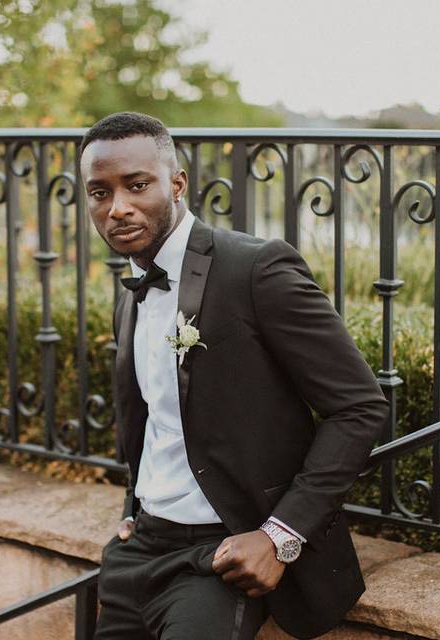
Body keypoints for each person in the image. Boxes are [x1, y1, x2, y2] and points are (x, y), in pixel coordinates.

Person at [80, 112, 389, 640]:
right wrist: (136, 502)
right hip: (138, 552)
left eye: (136, 185)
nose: (118, 208)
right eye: (99, 193)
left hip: (222, 556)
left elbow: (360, 407)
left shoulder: (256, 269)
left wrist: (280, 536)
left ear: (176, 185)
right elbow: (156, 416)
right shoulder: (131, 290)